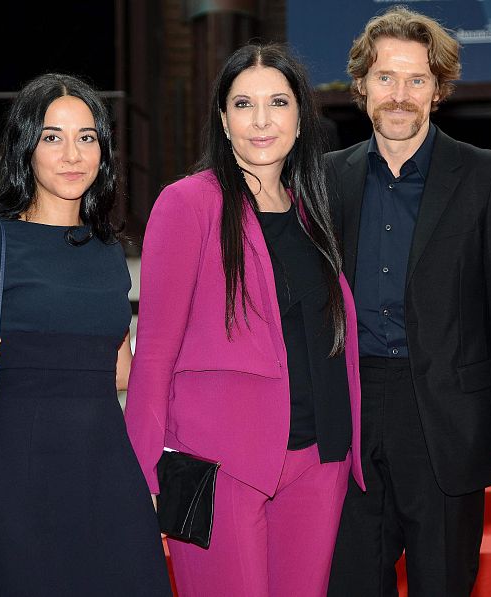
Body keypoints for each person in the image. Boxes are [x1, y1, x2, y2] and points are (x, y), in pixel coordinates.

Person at [125, 43, 365, 597]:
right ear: (223, 119)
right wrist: (142, 470)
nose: (262, 120)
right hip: (221, 463)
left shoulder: (313, 211)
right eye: (243, 104)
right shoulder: (188, 204)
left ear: (300, 119)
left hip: (319, 460)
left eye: (278, 102)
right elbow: (154, 348)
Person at [0, 73, 172, 596]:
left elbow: (121, 370)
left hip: (106, 479)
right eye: (52, 137)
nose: (72, 153)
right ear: (26, 147)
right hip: (10, 484)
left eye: (87, 137)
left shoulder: (108, 252)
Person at [326, 7, 491, 597]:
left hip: (446, 424)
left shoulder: (488, 178)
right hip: (348, 419)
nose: (399, 95)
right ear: (361, 86)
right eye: (385, 78)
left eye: (417, 79)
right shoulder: (323, 180)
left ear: (439, 90)